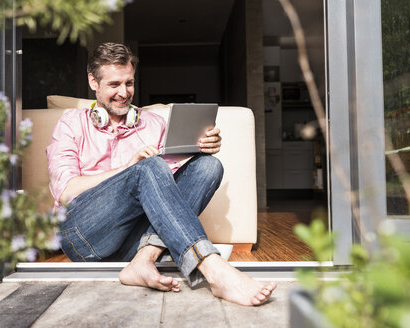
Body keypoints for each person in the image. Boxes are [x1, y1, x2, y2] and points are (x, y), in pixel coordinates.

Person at [46, 42, 276, 306]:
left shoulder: (153, 124)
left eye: (129, 83)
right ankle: (213, 269)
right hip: (83, 236)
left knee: (209, 166)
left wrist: (202, 148)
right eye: (114, 85)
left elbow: (172, 183)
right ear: (93, 82)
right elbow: (66, 192)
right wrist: (129, 168)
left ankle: (143, 260)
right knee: (148, 167)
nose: (124, 92)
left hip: (133, 240)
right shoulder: (71, 124)